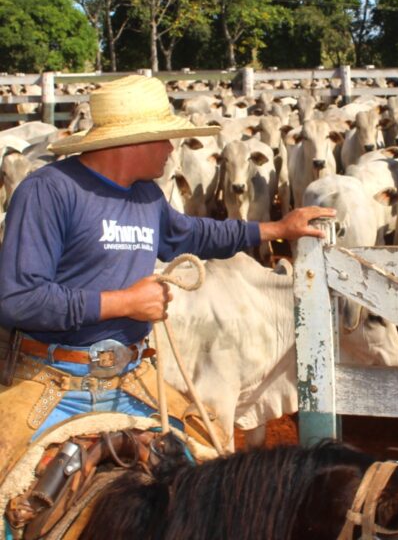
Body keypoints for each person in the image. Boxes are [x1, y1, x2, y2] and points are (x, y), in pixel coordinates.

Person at [0, 74, 334, 449]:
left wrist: (276, 228)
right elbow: (18, 300)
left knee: (206, 468)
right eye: (166, 137)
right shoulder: (49, 191)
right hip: (57, 380)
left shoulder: (145, 195)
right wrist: (124, 303)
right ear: (134, 141)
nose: (173, 150)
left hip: (134, 377)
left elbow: (192, 235)